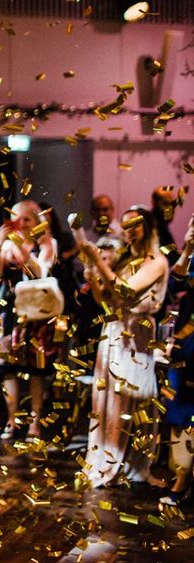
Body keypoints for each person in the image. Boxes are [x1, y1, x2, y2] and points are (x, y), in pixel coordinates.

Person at [80, 205, 168, 488]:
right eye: (126, 226)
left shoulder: (156, 261)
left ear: (149, 227)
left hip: (137, 333)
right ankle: (106, 458)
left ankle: (133, 463)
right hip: (115, 331)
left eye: (136, 225)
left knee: (133, 399)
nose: (129, 232)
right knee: (109, 401)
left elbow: (127, 291)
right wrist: (93, 273)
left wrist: (99, 262)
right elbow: (109, 303)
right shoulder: (127, 261)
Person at [0, 200, 58, 440]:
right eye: (16, 218)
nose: (21, 223)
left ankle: (35, 422)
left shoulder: (47, 243)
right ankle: (12, 419)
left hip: (36, 313)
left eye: (26, 218)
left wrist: (20, 249)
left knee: (35, 370)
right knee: (8, 369)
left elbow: (41, 272)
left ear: (37, 221)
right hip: (9, 311)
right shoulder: (7, 243)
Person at [159, 213, 194, 507]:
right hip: (188, 339)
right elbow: (173, 287)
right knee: (180, 409)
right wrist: (188, 249)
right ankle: (182, 478)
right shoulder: (191, 256)